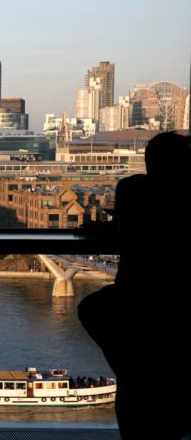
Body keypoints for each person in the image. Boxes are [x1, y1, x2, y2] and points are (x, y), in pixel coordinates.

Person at [78, 131, 191, 439]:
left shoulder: (133, 189)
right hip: (177, 303)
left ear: (149, 162)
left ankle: (133, 375)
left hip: (135, 296)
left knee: (91, 309)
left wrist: (96, 228)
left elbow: (122, 227)